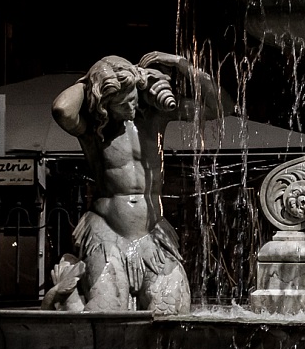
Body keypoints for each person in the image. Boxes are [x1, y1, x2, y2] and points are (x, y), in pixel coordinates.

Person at [47, 52, 229, 315]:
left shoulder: (154, 118)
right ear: (103, 105)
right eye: (122, 105)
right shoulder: (92, 130)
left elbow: (220, 107)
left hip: (151, 234)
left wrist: (182, 65)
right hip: (107, 234)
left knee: (173, 312)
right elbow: (62, 108)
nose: (131, 109)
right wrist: (93, 79)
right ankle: (67, 292)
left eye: (133, 99)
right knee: (106, 315)